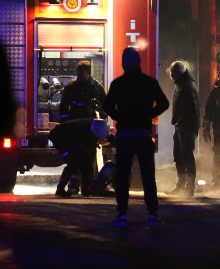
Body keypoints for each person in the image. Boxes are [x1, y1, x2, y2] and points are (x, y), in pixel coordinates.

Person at [103, 48, 169, 227]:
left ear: (124, 63)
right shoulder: (149, 83)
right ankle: (152, 214)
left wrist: (119, 117)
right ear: (139, 62)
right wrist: (149, 114)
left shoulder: (118, 84)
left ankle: (122, 214)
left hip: (124, 135)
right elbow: (164, 103)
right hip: (143, 134)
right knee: (148, 175)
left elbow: (107, 106)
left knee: (123, 175)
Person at [57, 60, 107, 195]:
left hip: (89, 128)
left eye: (82, 73)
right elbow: (63, 106)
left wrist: (102, 121)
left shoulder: (96, 87)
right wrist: (64, 123)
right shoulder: (71, 87)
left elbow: (105, 105)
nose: (79, 75)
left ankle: (87, 187)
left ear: (88, 73)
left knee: (89, 158)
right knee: (75, 158)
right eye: (78, 72)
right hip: (74, 127)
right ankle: (73, 185)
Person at [48, 118, 109, 197]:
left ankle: (86, 188)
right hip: (60, 139)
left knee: (86, 160)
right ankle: (60, 188)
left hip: (70, 139)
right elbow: (78, 144)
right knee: (73, 162)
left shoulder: (93, 127)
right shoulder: (80, 131)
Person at [165, 61, 199, 197]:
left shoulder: (187, 86)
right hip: (182, 126)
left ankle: (189, 188)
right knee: (179, 156)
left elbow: (192, 109)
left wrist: (181, 122)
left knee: (186, 157)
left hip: (186, 127)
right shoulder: (182, 84)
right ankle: (182, 185)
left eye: (173, 73)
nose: (171, 76)